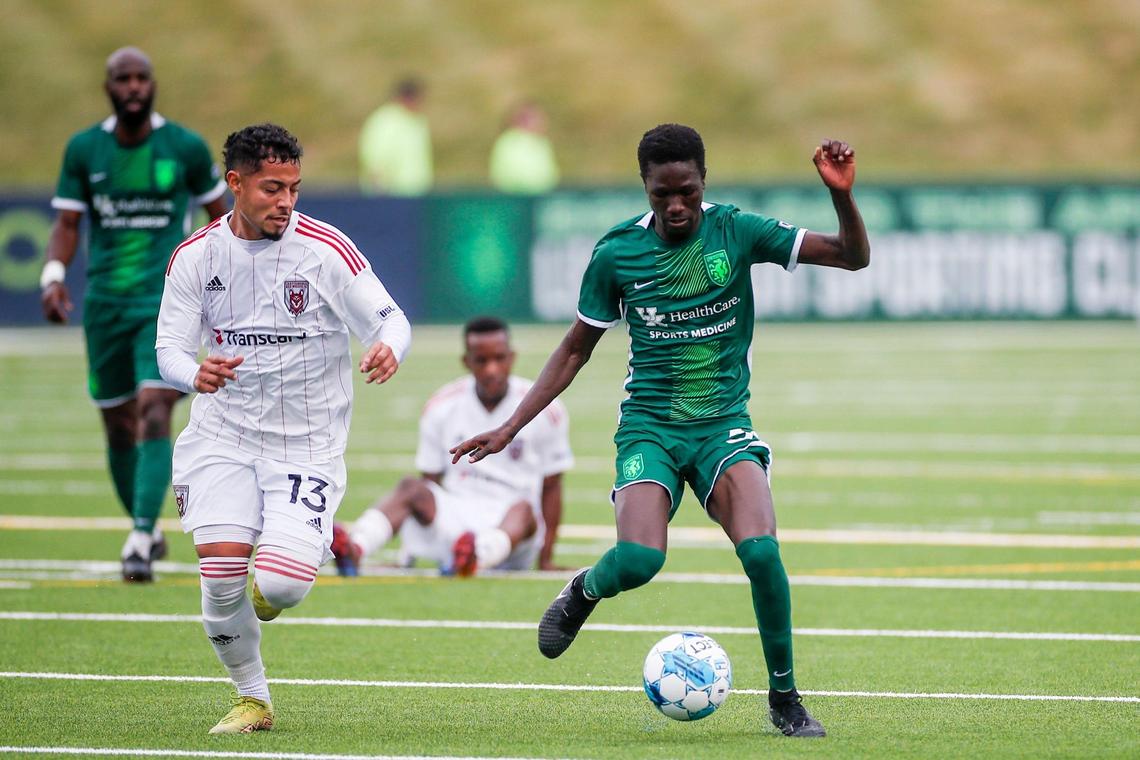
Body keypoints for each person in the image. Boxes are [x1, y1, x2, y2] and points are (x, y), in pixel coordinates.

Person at [451, 124, 869, 739]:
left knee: (762, 551)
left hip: (723, 426)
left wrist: (840, 194)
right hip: (649, 427)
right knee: (642, 559)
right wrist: (511, 426)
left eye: (688, 192)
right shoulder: (617, 253)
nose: (676, 206)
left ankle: (785, 698)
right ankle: (585, 589)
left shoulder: (737, 231)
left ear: (704, 182)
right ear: (644, 187)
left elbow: (851, 256)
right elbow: (574, 349)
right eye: (662, 194)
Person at [156, 123, 411, 734]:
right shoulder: (195, 257)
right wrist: (196, 374)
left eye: (295, 188)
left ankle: (292, 556)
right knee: (220, 575)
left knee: (281, 588)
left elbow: (391, 319)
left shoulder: (326, 250)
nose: (287, 202)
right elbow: (167, 350)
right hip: (223, 436)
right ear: (235, 184)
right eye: (273, 188)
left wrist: (388, 348)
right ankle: (253, 698)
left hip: (307, 443)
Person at [40, 46, 228, 582]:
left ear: (153, 85)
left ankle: (141, 537)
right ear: (109, 88)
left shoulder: (185, 147)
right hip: (103, 306)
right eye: (123, 79)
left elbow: (221, 215)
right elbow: (68, 224)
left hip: (164, 302)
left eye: (142, 77)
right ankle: (145, 525)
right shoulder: (84, 150)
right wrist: (53, 275)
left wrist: (220, 284)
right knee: (117, 425)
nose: (133, 87)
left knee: (153, 408)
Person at [331, 316, 573, 577]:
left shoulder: (545, 410)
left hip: (512, 528)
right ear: (466, 361)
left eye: (499, 358)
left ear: (512, 357)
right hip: (456, 519)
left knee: (524, 509)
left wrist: (546, 559)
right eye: (482, 360)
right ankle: (356, 546)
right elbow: (430, 483)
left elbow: (552, 486)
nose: (492, 369)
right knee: (411, 487)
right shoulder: (442, 406)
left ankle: (476, 557)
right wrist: (408, 553)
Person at [359, 77, 432, 196]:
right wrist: (379, 191)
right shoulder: (386, 121)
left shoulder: (416, 121)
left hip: (415, 195)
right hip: (391, 195)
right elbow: (376, 158)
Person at [489, 101, 560, 194]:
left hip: (541, 197)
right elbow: (512, 175)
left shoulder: (542, 142)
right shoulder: (510, 141)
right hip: (516, 197)